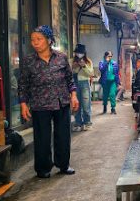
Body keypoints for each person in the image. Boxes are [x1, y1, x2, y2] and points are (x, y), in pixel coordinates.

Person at [18, 25, 79, 178]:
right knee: (42, 138)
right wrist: (23, 104)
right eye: (33, 40)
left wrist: (74, 95)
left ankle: (63, 164)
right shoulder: (28, 61)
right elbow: (23, 84)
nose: (35, 43)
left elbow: (69, 79)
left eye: (39, 39)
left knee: (63, 135)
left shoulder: (62, 57)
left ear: (49, 40)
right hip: (40, 104)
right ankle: (43, 168)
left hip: (61, 101)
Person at [72, 44, 94, 131]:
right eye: (77, 53)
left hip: (85, 83)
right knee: (77, 105)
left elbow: (91, 74)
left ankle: (87, 123)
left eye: (80, 53)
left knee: (86, 105)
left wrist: (84, 66)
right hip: (75, 84)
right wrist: (76, 66)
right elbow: (70, 72)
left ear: (84, 53)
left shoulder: (88, 62)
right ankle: (78, 123)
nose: (78, 54)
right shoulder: (72, 61)